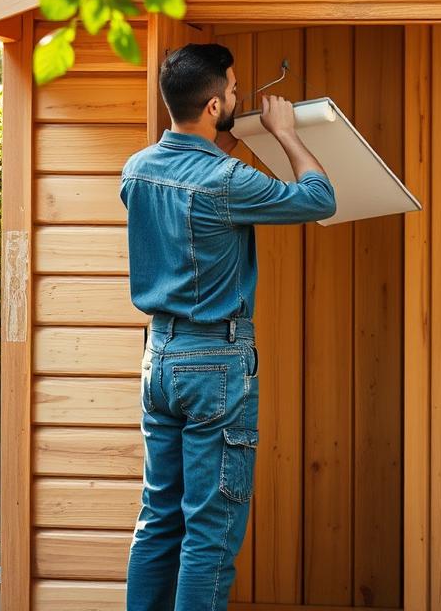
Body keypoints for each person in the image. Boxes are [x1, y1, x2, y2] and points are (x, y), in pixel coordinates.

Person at [119, 43, 336, 611]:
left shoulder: (136, 170)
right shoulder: (227, 179)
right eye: (235, 90)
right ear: (214, 106)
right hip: (215, 365)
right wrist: (285, 133)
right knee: (210, 529)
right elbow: (319, 198)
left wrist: (228, 142)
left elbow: (191, 188)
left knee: (158, 518)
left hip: (159, 358)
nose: (240, 96)